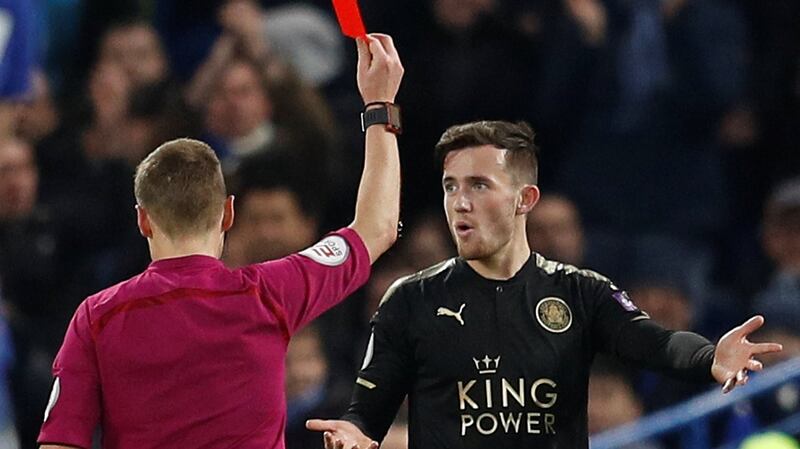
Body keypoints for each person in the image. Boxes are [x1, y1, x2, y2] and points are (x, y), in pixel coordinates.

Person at [307, 120, 782, 449]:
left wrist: (708, 358)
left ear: (524, 199)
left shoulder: (581, 292)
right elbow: (368, 410)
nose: (459, 202)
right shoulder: (410, 299)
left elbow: (655, 344)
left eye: (478, 185)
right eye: (451, 186)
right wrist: (352, 431)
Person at [37, 33, 404, 449]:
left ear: (143, 220)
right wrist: (380, 105)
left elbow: (61, 442)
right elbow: (377, 228)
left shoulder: (96, 318)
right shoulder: (270, 294)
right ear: (228, 213)